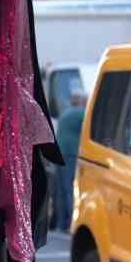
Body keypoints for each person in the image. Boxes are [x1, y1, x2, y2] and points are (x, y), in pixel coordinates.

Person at [52, 91, 85, 232]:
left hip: (59, 152)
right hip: (71, 153)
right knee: (69, 188)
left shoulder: (64, 114)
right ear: (79, 102)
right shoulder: (81, 114)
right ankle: (71, 223)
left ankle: (60, 223)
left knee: (60, 189)